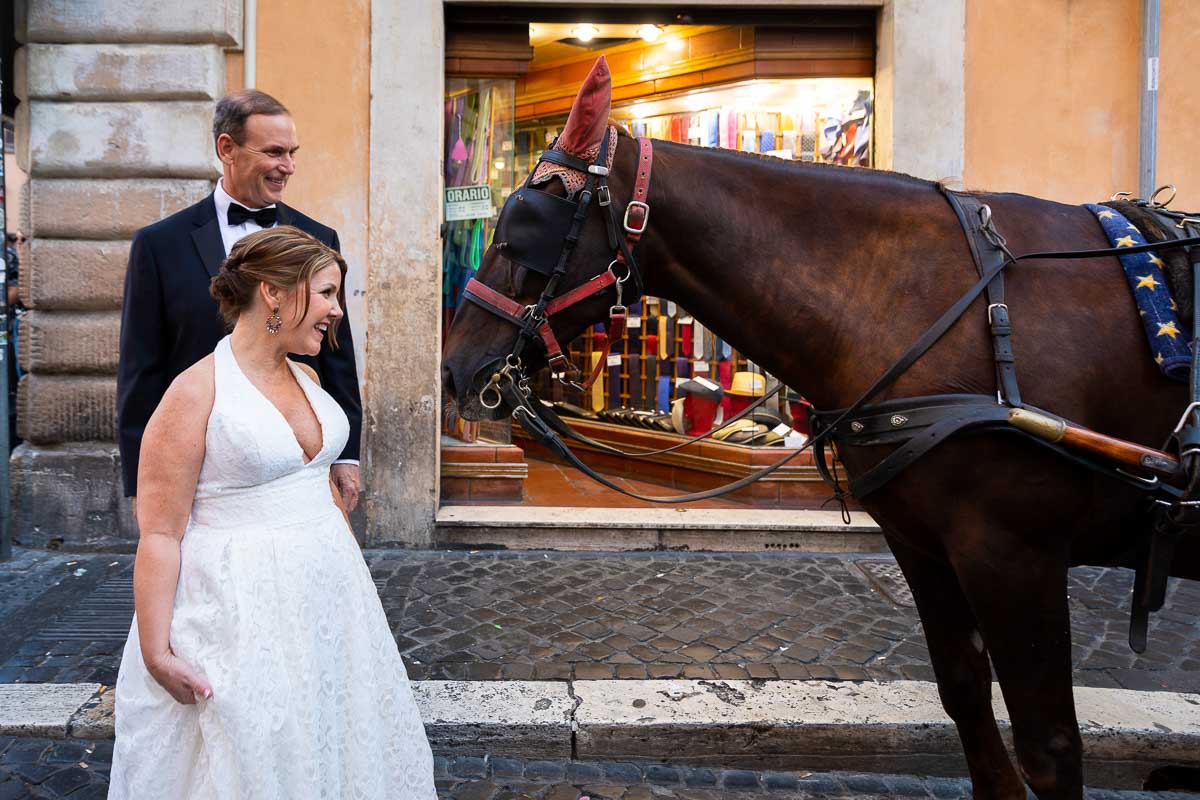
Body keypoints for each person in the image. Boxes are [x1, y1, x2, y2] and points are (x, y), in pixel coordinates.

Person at [108, 227, 436, 798]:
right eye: (328, 293)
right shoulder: (194, 393)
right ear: (275, 293)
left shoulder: (306, 375)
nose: (337, 310)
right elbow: (160, 533)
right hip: (237, 609)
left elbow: (311, 482)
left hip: (328, 604)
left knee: (331, 740)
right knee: (256, 755)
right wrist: (157, 654)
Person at [117, 90, 362, 517]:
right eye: (274, 152)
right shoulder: (158, 245)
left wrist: (347, 455)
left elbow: (338, 354)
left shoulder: (318, 238)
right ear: (226, 149)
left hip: (296, 459)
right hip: (201, 465)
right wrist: (143, 478)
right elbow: (141, 368)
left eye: (292, 153)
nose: (288, 167)